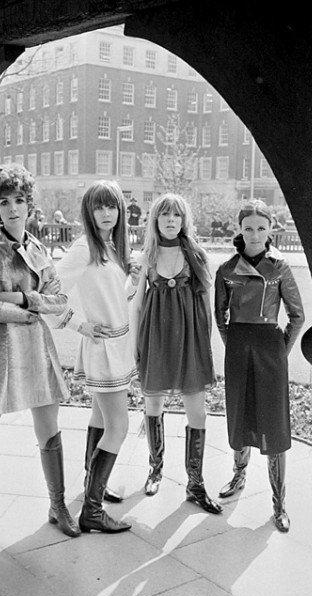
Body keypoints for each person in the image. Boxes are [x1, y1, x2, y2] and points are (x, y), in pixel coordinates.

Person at [0, 163, 81, 560]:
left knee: (50, 431)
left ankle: (57, 505)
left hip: (37, 351)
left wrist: (24, 299)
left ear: (30, 205)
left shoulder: (39, 248)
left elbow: (60, 301)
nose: (12, 208)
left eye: (19, 200)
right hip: (1, 352)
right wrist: (29, 312)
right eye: (4, 202)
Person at [50, 180, 139, 533]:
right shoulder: (84, 247)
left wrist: (131, 279)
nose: (106, 213)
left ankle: (92, 489)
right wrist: (77, 324)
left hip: (117, 346)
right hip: (103, 348)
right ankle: (93, 509)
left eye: (112, 206)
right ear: (89, 212)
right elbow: (50, 291)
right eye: (99, 207)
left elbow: (116, 298)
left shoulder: (110, 247)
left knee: (102, 419)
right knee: (119, 426)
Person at [214, 199, 305, 532]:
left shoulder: (279, 266)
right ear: (240, 229)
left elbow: (297, 315)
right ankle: (238, 476)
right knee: (238, 413)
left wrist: (281, 348)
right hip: (238, 344)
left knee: (274, 423)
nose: (254, 234)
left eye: (261, 228)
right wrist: (232, 343)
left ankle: (279, 503)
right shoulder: (226, 269)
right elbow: (220, 316)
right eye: (248, 227)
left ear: (271, 230)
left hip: (270, 346)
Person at [131, 193, 223, 514]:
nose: (171, 220)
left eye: (177, 215)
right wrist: (137, 348)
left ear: (184, 221)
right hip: (156, 337)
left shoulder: (196, 255)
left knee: (196, 411)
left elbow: (204, 304)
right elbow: (138, 304)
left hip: (190, 340)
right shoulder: (147, 256)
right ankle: (155, 468)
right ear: (155, 220)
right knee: (153, 404)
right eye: (165, 215)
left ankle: (195, 482)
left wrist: (203, 348)